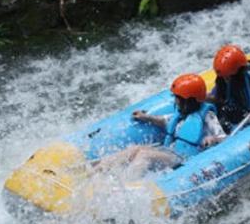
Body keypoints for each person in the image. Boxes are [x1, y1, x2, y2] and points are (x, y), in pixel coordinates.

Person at [94, 73, 225, 176]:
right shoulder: (181, 114)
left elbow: (223, 137)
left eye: (178, 99)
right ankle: (97, 169)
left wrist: (212, 139)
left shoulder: (208, 116)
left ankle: (127, 185)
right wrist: (146, 117)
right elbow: (164, 121)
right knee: (136, 148)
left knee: (145, 154)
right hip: (170, 152)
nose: (175, 101)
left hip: (185, 159)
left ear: (189, 101)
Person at [208, 44, 250, 133]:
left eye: (228, 77)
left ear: (237, 72)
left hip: (244, 115)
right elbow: (216, 96)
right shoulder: (223, 78)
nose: (225, 79)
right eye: (223, 77)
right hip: (229, 113)